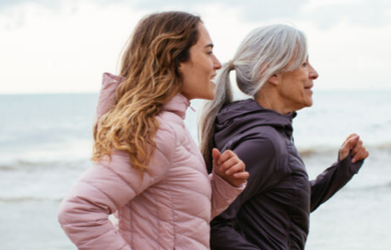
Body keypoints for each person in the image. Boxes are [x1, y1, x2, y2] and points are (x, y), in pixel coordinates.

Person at [58, 11, 249, 250]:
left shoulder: (170, 126)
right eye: (208, 52)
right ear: (176, 60)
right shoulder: (157, 131)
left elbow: (180, 220)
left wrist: (222, 184)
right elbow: (78, 211)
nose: (218, 64)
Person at [200, 24, 370, 249]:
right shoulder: (264, 142)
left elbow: (286, 206)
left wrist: (341, 170)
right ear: (272, 74)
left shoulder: (268, 131)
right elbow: (211, 224)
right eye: (303, 63)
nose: (314, 73)